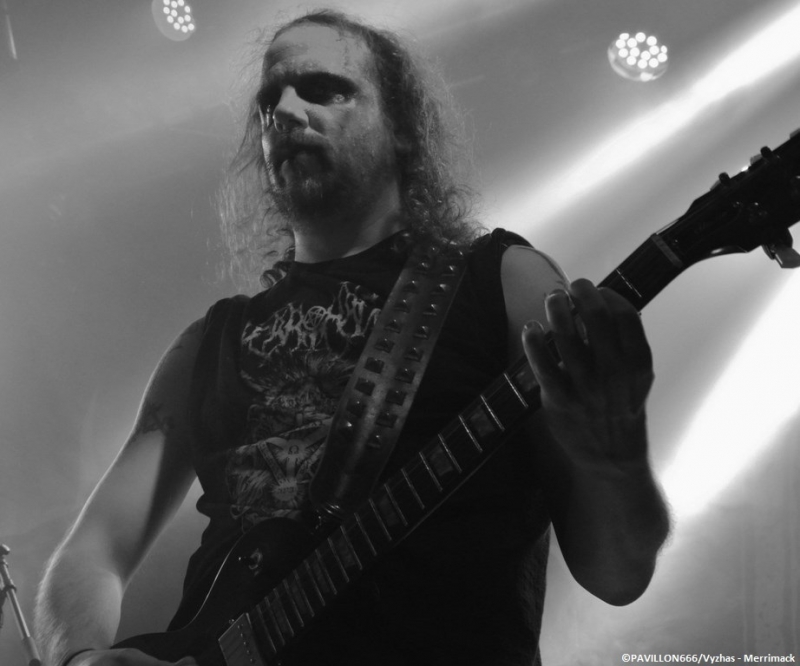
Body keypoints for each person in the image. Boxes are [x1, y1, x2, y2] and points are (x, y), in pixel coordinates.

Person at [34, 9, 670, 666]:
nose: (283, 111)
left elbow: (617, 576)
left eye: (322, 89)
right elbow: (94, 549)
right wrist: (80, 658)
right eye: (268, 102)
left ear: (401, 128)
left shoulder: (504, 282)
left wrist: (614, 455)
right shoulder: (211, 342)